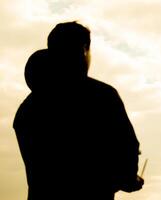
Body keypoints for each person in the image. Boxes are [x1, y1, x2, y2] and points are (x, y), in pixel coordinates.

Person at [13, 21, 144, 200]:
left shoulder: (27, 109)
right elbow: (127, 149)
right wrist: (128, 179)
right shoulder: (103, 96)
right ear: (83, 49)